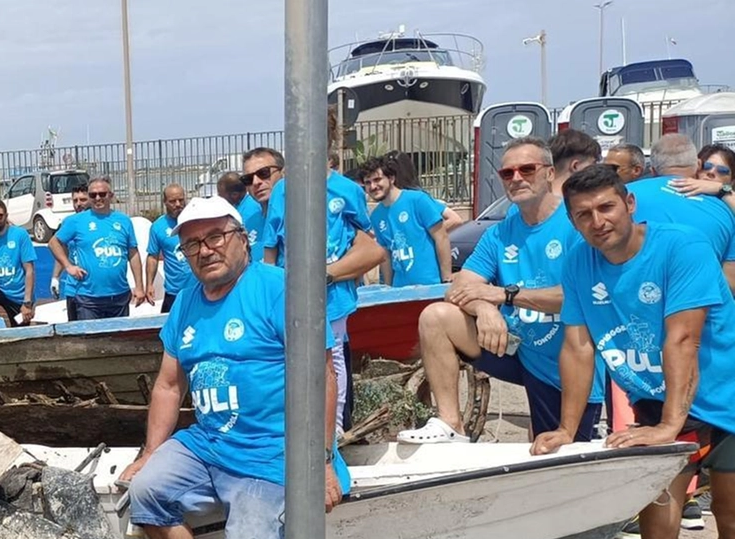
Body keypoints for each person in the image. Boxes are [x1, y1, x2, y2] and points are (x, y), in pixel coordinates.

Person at [119, 195, 349, 539]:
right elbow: (169, 383)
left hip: (272, 454)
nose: (204, 251)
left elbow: (324, 374)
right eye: (192, 243)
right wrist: (150, 452)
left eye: (215, 237)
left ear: (242, 236)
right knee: (148, 490)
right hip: (209, 443)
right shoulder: (185, 302)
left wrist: (320, 462)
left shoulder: (278, 288)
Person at [532, 164, 735, 539]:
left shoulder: (681, 247)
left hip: (726, 397)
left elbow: (682, 339)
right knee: (657, 529)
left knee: (731, 522)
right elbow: (578, 346)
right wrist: (564, 426)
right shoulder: (579, 263)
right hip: (657, 400)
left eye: (606, 207)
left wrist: (671, 426)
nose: (597, 221)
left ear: (629, 204)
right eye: (583, 214)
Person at [402, 136, 606, 445]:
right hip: (519, 349)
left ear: (550, 173)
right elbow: (460, 284)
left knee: (560, 454)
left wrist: (503, 295)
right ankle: (450, 424)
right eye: (507, 173)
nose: (517, 178)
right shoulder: (500, 232)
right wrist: (484, 308)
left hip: (571, 360)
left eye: (527, 169)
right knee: (436, 316)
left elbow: (579, 297)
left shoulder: (575, 223)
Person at [259, 139, 384, 434]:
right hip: (289, 292)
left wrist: (351, 274)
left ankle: (335, 425)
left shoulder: (348, 190)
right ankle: (290, 423)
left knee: (333, 358)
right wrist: (266, 291)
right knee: (288, 356)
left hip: (334, 294)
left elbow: (367, 240)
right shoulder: (284, 190)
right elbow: (270, 245)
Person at [625, 133, 735, 292]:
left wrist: (722, 191)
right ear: (698, 165)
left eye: (723, 171)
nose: (711, 174)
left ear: (653, 170)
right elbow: (729, 283)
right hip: (700, 306)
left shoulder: (622, 196)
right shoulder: (725, 211)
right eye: (707, 167)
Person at [48, 177, 146, 320]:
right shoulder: (75, 221)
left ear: (111, 196)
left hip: (119, 296)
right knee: (90, 341)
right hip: (88, 297)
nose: (98, 198)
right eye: (93, 195)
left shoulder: (124, 220)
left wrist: (139, 286)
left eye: (102, 194)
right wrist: (68, 267)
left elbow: (133, 254)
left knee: (119, 341)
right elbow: (54, 243)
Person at [362, 156, 453, 286]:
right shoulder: (376, 216)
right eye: (367, 182)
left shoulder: (418, 200)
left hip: (430, 285)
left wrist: (446, 279)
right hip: (400, 290)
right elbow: (386, 255)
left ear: (391, 178)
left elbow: (441, 237)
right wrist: (388, 288)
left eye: (377, 180)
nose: (373, 186)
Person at [144, 184, 190, 312]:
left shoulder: (196, 221)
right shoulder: (158, 227)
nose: (177, 204)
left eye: (181, 200)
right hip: (174, 292)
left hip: (199, 289)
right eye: (172, 201)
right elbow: (153, 257)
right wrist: (149, 285)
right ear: (165, 202)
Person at [53, 188, 91, 320]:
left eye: (83, 200)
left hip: (93, 289)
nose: (78, 204)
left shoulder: (99, 222)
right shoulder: (68, 222)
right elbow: (62, 251)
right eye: (75, 200)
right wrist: (55, 278)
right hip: (73, 288)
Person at [237, 148, 284, 248]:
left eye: (263, 173)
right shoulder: (247, 223)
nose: (255, 182)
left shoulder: (299, 220)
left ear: (282, 173)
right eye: (248, 179)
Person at [547, 129, 602, 193]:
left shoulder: (537, 199)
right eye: (593, 164)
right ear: (575, 166)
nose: (596, 171)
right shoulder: (581, 202)